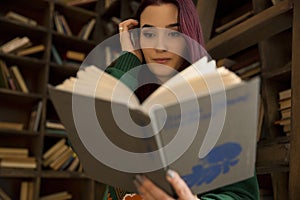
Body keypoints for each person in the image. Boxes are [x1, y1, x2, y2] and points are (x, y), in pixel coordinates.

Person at [105, 0, 260, 199]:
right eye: (149, 34)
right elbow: (91, 128)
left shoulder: (218, 103)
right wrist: (129, 58)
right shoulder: (132, 91)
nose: (160, 47)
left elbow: (243, 196)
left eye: (173, 33)